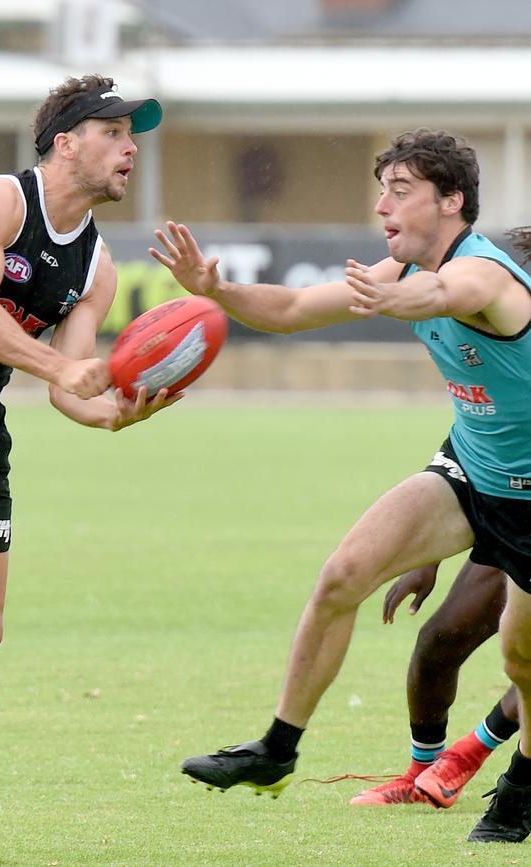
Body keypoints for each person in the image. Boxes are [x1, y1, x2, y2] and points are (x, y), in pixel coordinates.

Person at [150, 128, 531, 844]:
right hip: (472, 468)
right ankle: (276, 749)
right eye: (380, 188)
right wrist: (216, 289)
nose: (381, 205)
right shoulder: (399, 274)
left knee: (521, 658)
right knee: (342, 575)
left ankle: (520, 791)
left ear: (452, 201)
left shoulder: (484, 275)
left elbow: (450, 292)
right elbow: (293, 312)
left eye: (401, 190)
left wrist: (400, 300)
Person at [0, 73, 179, 816]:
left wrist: (114, 414)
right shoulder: (1, 200)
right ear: (65, 141)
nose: (129, 147)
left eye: (133, 135)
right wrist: (59, 364)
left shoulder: (97, 266)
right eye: (113, 132)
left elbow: (66, 388)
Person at [350, 559, 519, 807]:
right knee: (439, 640)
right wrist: (427, 559)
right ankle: (422, 770)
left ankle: (467, 757)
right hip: (515, 531)